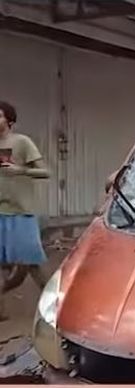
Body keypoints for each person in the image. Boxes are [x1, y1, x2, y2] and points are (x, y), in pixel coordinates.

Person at [0, 101, 51, 320]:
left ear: (9, 120)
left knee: (32, 263)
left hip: (21, 212)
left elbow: (45, 172)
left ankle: (56, 308)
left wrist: (20, 170)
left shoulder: (22, 142)